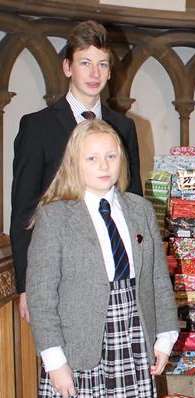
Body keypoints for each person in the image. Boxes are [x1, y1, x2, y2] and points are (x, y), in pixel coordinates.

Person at [26, 120, 178, 398]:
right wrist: (54, 361)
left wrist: (165, 336)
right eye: (92, 158)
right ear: (74, 163)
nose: (104, 165)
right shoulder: (54, 217)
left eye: (111, 156)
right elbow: (41, 297)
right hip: (78, 347)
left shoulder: (140, 210)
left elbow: (157, 279)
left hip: (133, 337)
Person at [10, 20, 143, 323]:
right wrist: (26, 285)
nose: (95, 73)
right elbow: (23, 211)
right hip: (59, 273)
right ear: (67, 67)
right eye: (85, 63)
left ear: (110, 72)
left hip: (117, 272)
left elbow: (133, 202)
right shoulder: (37, 127)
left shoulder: (123, 127)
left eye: (102, 64)